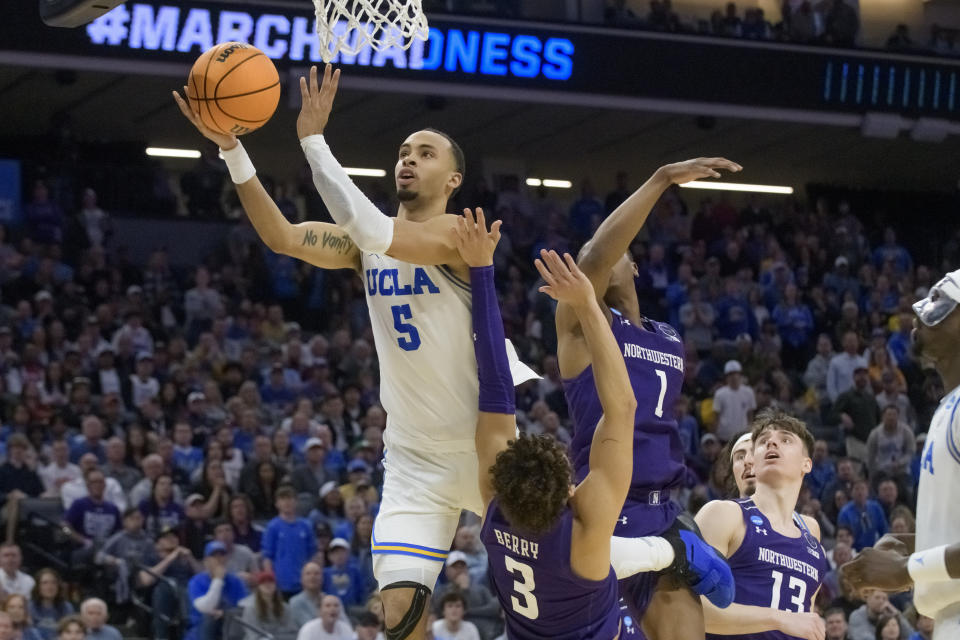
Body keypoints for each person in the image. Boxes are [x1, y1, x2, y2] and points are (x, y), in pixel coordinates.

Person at [173, 63, 528, 640]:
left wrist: (313, 141)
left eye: (426, 153)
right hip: (412, 458)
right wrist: (235, 151)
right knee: (399, 617)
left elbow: (371, 230)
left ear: (454, 179)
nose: (408, 159)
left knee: (560, 584)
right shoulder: (367, 244)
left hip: (481, 445)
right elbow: (284, 237)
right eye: (404, 151)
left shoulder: (458, 237)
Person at [456, 215, 730, 640]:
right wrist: (484, 270)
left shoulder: (539, 527)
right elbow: (618, 407)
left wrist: (672, 548)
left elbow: (614, 410)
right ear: (569, 488)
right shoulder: (558, 523)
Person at [555, 157, 740, 638]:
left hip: (661, 512)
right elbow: (595, 256)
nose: (595, 256)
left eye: (618, 248)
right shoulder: (581, 325)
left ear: (635, 264)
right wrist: (660, 179)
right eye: (589, 252)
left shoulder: (669, 337)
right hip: (604, 511)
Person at [840, 270, 960, 640]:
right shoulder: (948, 406)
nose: (921, 312)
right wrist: (914, 545)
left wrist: (908, 568)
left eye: (942, 300)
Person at [697, 409, 828, 640]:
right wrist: (778, 618)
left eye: (785, 439)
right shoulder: (723, 515)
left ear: (806, 464)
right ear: (753, 464)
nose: (772, 444)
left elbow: (805, 621)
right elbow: (691, 608)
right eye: (764, 441)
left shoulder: (811, 532)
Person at [186, 541, 248, 640]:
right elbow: (205, 608)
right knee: (209, 618)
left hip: (229, 627)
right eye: (214, 556)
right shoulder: (196, 581)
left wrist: (225, 613)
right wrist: (218, 580)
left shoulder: (236, 581)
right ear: (206, 561)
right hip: (200, 629)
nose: (219, 560)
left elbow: (244, 608)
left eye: (222, 555)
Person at [263, 486, 316, 598]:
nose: (287, 502)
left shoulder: (306, 526)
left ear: (296, 502)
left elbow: (313, 554)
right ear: (277, 503)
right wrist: (271, 580)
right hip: (281, 583)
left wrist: (313, 578)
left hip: (303, 582)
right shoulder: (273, 527)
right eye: (283, 499)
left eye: (290, 499)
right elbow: (267, 557)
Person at [240, 570, 295, 640]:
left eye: (270, 582)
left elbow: (292, 633)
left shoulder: (286, 608)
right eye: (263, 582)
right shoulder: (250, 609)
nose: (267, 584)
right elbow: (253, 634)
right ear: (258, 587)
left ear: (276, 586)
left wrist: (274, 637)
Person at [837, 480, 888, 551]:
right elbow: (844, 536)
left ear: (867, 492)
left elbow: (884, 530)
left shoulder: (876, 507)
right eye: (857, 489)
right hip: (853, 551)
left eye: (863, 488)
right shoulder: (845, 513)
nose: (860, 492)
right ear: (851, 493)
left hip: (876, 549)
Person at [713, 361, 758, 442]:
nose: (733, 377)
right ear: (726, 377)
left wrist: (751, 434)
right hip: (724, 438)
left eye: (736, 373)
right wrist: (715, 436)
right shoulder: (719, 394)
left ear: (740, 375)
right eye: (730, 374)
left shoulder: (748, 392)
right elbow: (716, 417)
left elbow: (750, 416)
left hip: (743, 437)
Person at [847, 590, 912, 640]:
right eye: (877, 597)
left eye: (884, 598)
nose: (881, 601)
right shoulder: (857, 615)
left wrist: (897, 614)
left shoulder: (888, 615)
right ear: (867, 599)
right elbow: (863, 638)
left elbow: (910, 635)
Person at [29, 569, 74, 640]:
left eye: (54, 582)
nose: (50, 587)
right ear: (38, 587)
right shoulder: (30, 607)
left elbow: (70, 632)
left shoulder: (66, 607)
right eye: (45, 583)